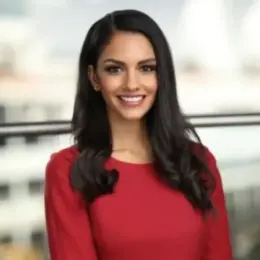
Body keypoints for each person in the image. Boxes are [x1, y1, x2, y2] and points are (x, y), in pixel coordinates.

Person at [44, 9, 233, 260]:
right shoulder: (68, 170)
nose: (132, 84)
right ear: (94, 78)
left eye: (146, 68)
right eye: (114, 69)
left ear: (161, 75)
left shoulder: (198, 161)